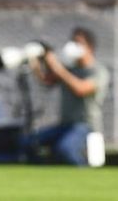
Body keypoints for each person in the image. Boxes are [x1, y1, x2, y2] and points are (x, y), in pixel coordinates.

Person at [28, 27, 110, 165]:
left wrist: (58, 68)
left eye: (79, 43)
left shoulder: (98, 71)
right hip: (64, 125)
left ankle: (85, 172)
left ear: (89, 47)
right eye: (73, 41)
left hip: (85, 126)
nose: (74, 46)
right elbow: (47, 81)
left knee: (66, 149)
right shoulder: (69, 68)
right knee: (29, 142)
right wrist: (36, 62)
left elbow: (80, 89)